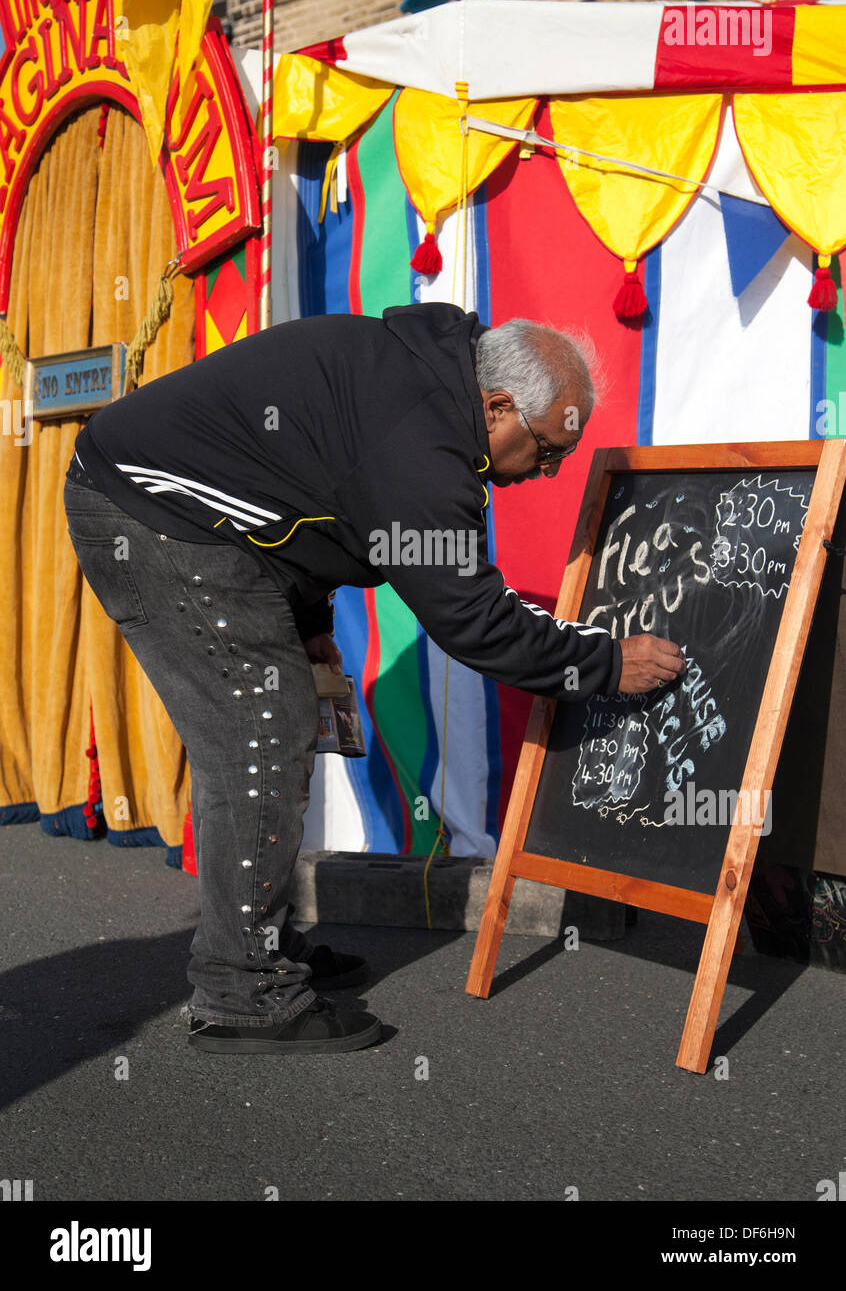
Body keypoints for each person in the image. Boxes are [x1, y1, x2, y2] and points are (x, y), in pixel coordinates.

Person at [63, 303, 684, 1056]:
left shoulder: (428, 375)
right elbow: (474, 621)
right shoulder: (423, 445)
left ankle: (261, 945)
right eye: (547, 450)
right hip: (152, 515)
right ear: (496, 407)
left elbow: (309, 496)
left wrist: (309, 619)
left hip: (190, 514)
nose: (546, 472)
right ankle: (243, 990)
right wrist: (608, 663)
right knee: (258, 732)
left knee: (273, 720)